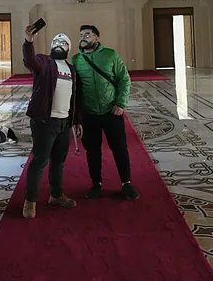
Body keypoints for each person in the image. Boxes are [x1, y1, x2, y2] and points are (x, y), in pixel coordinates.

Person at [21, 24, 83, 219]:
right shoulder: (44, 62)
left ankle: (56, 195)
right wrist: (29, 40)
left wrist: (76, 121)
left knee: (59, 161)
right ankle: (30, 201)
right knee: (40, 161)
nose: (59, 44)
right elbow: (30, 61)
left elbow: (74, 97)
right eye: (56, 41)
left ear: (68, 49)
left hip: (64, 123)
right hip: (45, 122)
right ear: (51, 46)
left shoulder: (71, 69)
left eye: (63, 42)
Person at [72, 24, 139, 200]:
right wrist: (77, 117)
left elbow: (124, 79)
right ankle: (96, 184)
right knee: (92, 150)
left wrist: (120, 103)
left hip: (112, 111)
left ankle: (126, 183)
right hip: (89, 114)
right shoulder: (76, 60)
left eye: (87, 35)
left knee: (119, 148)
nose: (83, 38)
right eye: (81, 35)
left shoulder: (110, 55)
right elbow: (75, 90)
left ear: (97, 38)